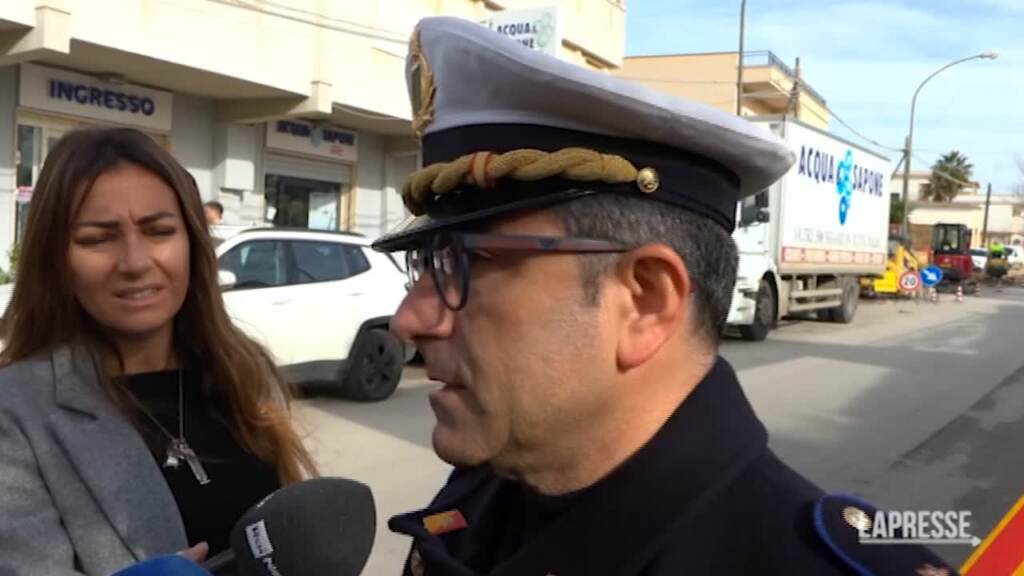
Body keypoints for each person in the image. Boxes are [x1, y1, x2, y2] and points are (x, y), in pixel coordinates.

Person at [377, 18, 953, 575]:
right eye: (425, 262)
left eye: (463, 264)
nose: (408, 320)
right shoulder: (482, 495)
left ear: (645, 302)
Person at [0, 127, 317, 575]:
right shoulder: (16, 411)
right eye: (96, 239)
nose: (134, 262)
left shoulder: (243, 370)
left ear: (191, 243)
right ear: (56, 260)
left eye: (159, 231)